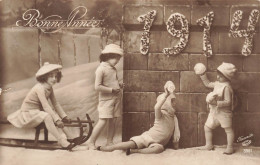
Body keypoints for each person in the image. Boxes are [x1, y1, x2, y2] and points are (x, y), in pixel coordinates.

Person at [7, 62, 83, 150]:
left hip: (37, 111)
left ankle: (70, 137)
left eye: (55, 76)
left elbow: (55, 103)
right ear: (44, 77)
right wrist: (57, 120)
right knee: (48, 116)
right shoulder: (39, 88)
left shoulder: (49, 88)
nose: (54, 79)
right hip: (28, 113)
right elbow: (46, 106)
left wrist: (64, 116)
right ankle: (61, 141)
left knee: (54, 114)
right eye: (51, 76)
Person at [97, 81, 180, 155]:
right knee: (129, 144)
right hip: (148, 137)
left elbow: (175, 139)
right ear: (165, 103)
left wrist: (176, 141)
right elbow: (157, 107)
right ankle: (109, 148)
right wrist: (166, 95)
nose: (175, 103)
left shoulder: (174, 118)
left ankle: (135, 151)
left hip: (157, 143)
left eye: (174, 101)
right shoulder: (161, 114)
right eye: (172, 101)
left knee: (159, 149)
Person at [85, 44, 124, 149]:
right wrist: (111, 90)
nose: (117, 61)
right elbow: (97, 87)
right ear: (107, 56)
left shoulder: (113, 69)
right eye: (115, 58)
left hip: (116, 98)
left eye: (118, 59)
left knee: (113, 120)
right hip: (106, 100)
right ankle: (91, 142)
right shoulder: (100, 69)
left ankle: (109, 141)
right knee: (103, 121)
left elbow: (111, 82)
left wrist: (118, 85)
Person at [196, 62, 237, 155]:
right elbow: (208, 84)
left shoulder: (226, 87)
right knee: (207, 127)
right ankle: (209, 145)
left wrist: (216, 103)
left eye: (221, 76)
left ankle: (230, 147)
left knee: (228, 129)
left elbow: (228, 102)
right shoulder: (218, 83)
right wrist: (202, 75)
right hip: (214, 112)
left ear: (227, 77)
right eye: (218, 75)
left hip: (224, 113)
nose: (218, 78)